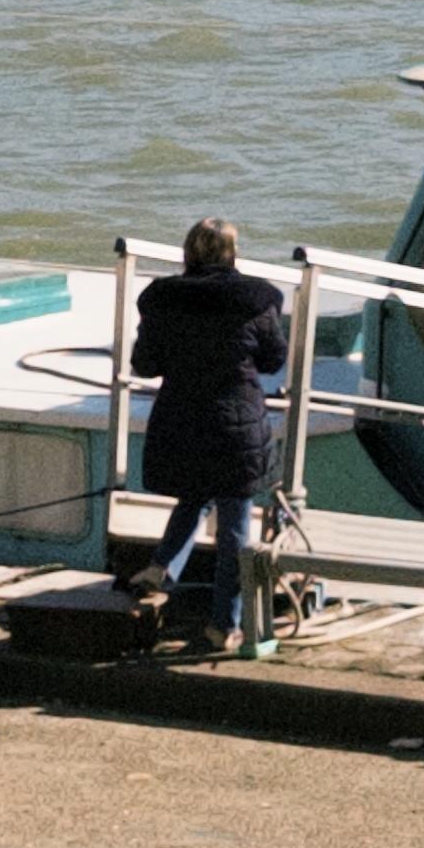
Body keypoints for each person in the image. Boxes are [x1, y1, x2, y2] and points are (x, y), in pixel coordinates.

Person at [128, 217, 291, 652]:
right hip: (236, 424)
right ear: (232, 253)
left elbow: (144, 364)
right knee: (235, 527)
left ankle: (162, 568)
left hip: (182, 418)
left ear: (188, 252)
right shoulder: (256, 300)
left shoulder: (163, 300)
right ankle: (224, 624)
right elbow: (274, 360)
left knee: (196, 493)